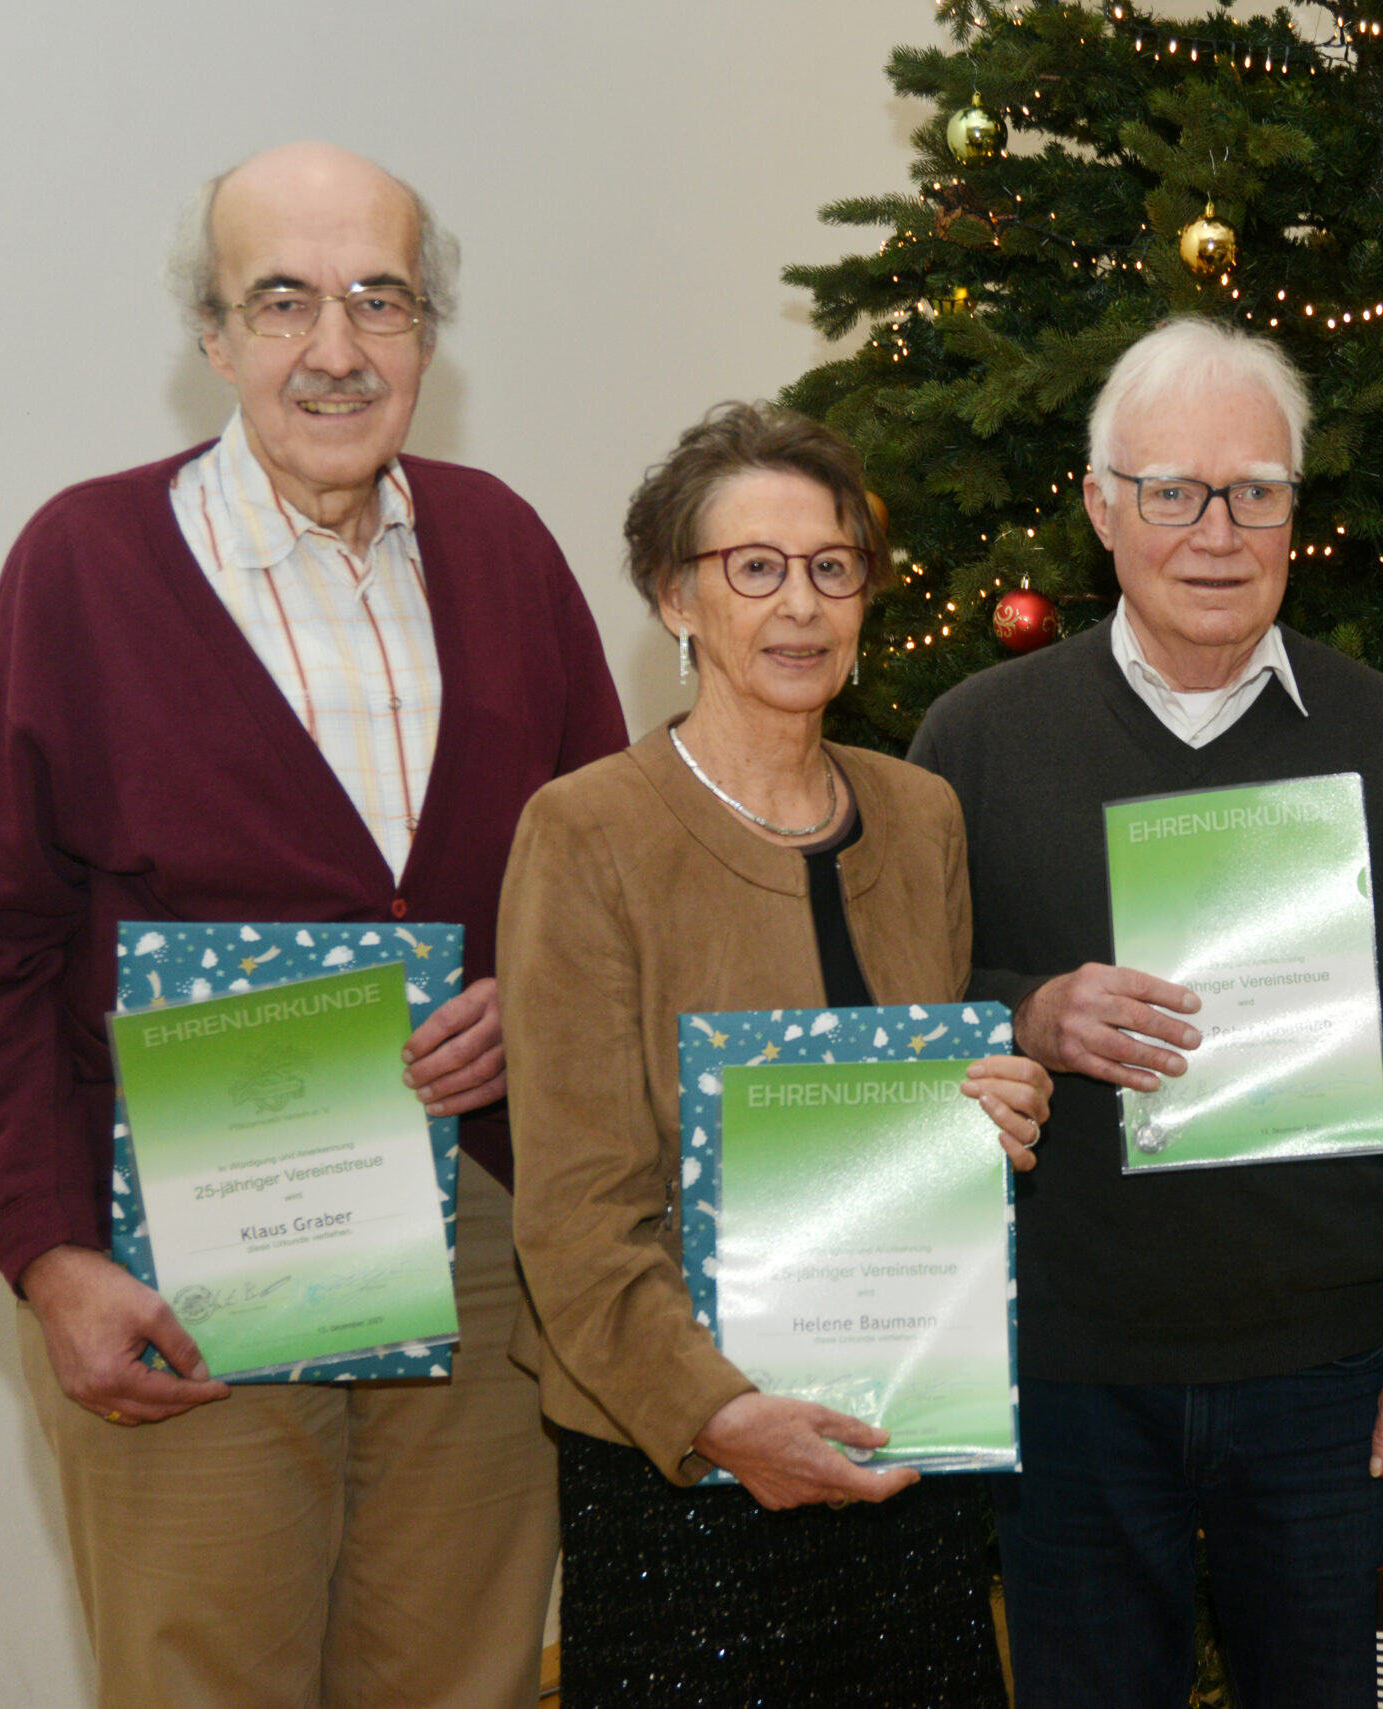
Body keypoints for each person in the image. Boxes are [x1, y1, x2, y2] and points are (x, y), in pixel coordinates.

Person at [0, 142, 626, 1708]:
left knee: (464, 1675)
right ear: (213, 337)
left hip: (485, 1233)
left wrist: (533, 995)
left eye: (381, 299)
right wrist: (50, 1254)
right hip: (182, 1255)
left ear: (428, 333)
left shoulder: (504, 549)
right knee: (204, 1676)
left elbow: (600, 884)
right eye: (283, 301)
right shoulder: (85, 568)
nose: (335, 348)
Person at [902, 316, 1383, 1709]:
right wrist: (1027, 1014)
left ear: (1297, 509)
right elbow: (902, 1012)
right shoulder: (977, 738)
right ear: (1101, 507)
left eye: (1256, 491)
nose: (1217, 533)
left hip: (1334, 1375)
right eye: (1173, 491)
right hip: (1068, 1373)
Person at [497, 400, 1052, 1708]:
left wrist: (993, 1112)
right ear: (673, 596)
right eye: (754, 567)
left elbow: (921, 1126)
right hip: (683, 1468)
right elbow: (573, 1215)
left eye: (832, 565)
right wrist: (720, 1417)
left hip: (904, 1438)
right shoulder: (587, 833)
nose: (799, 604)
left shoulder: (921, 814)